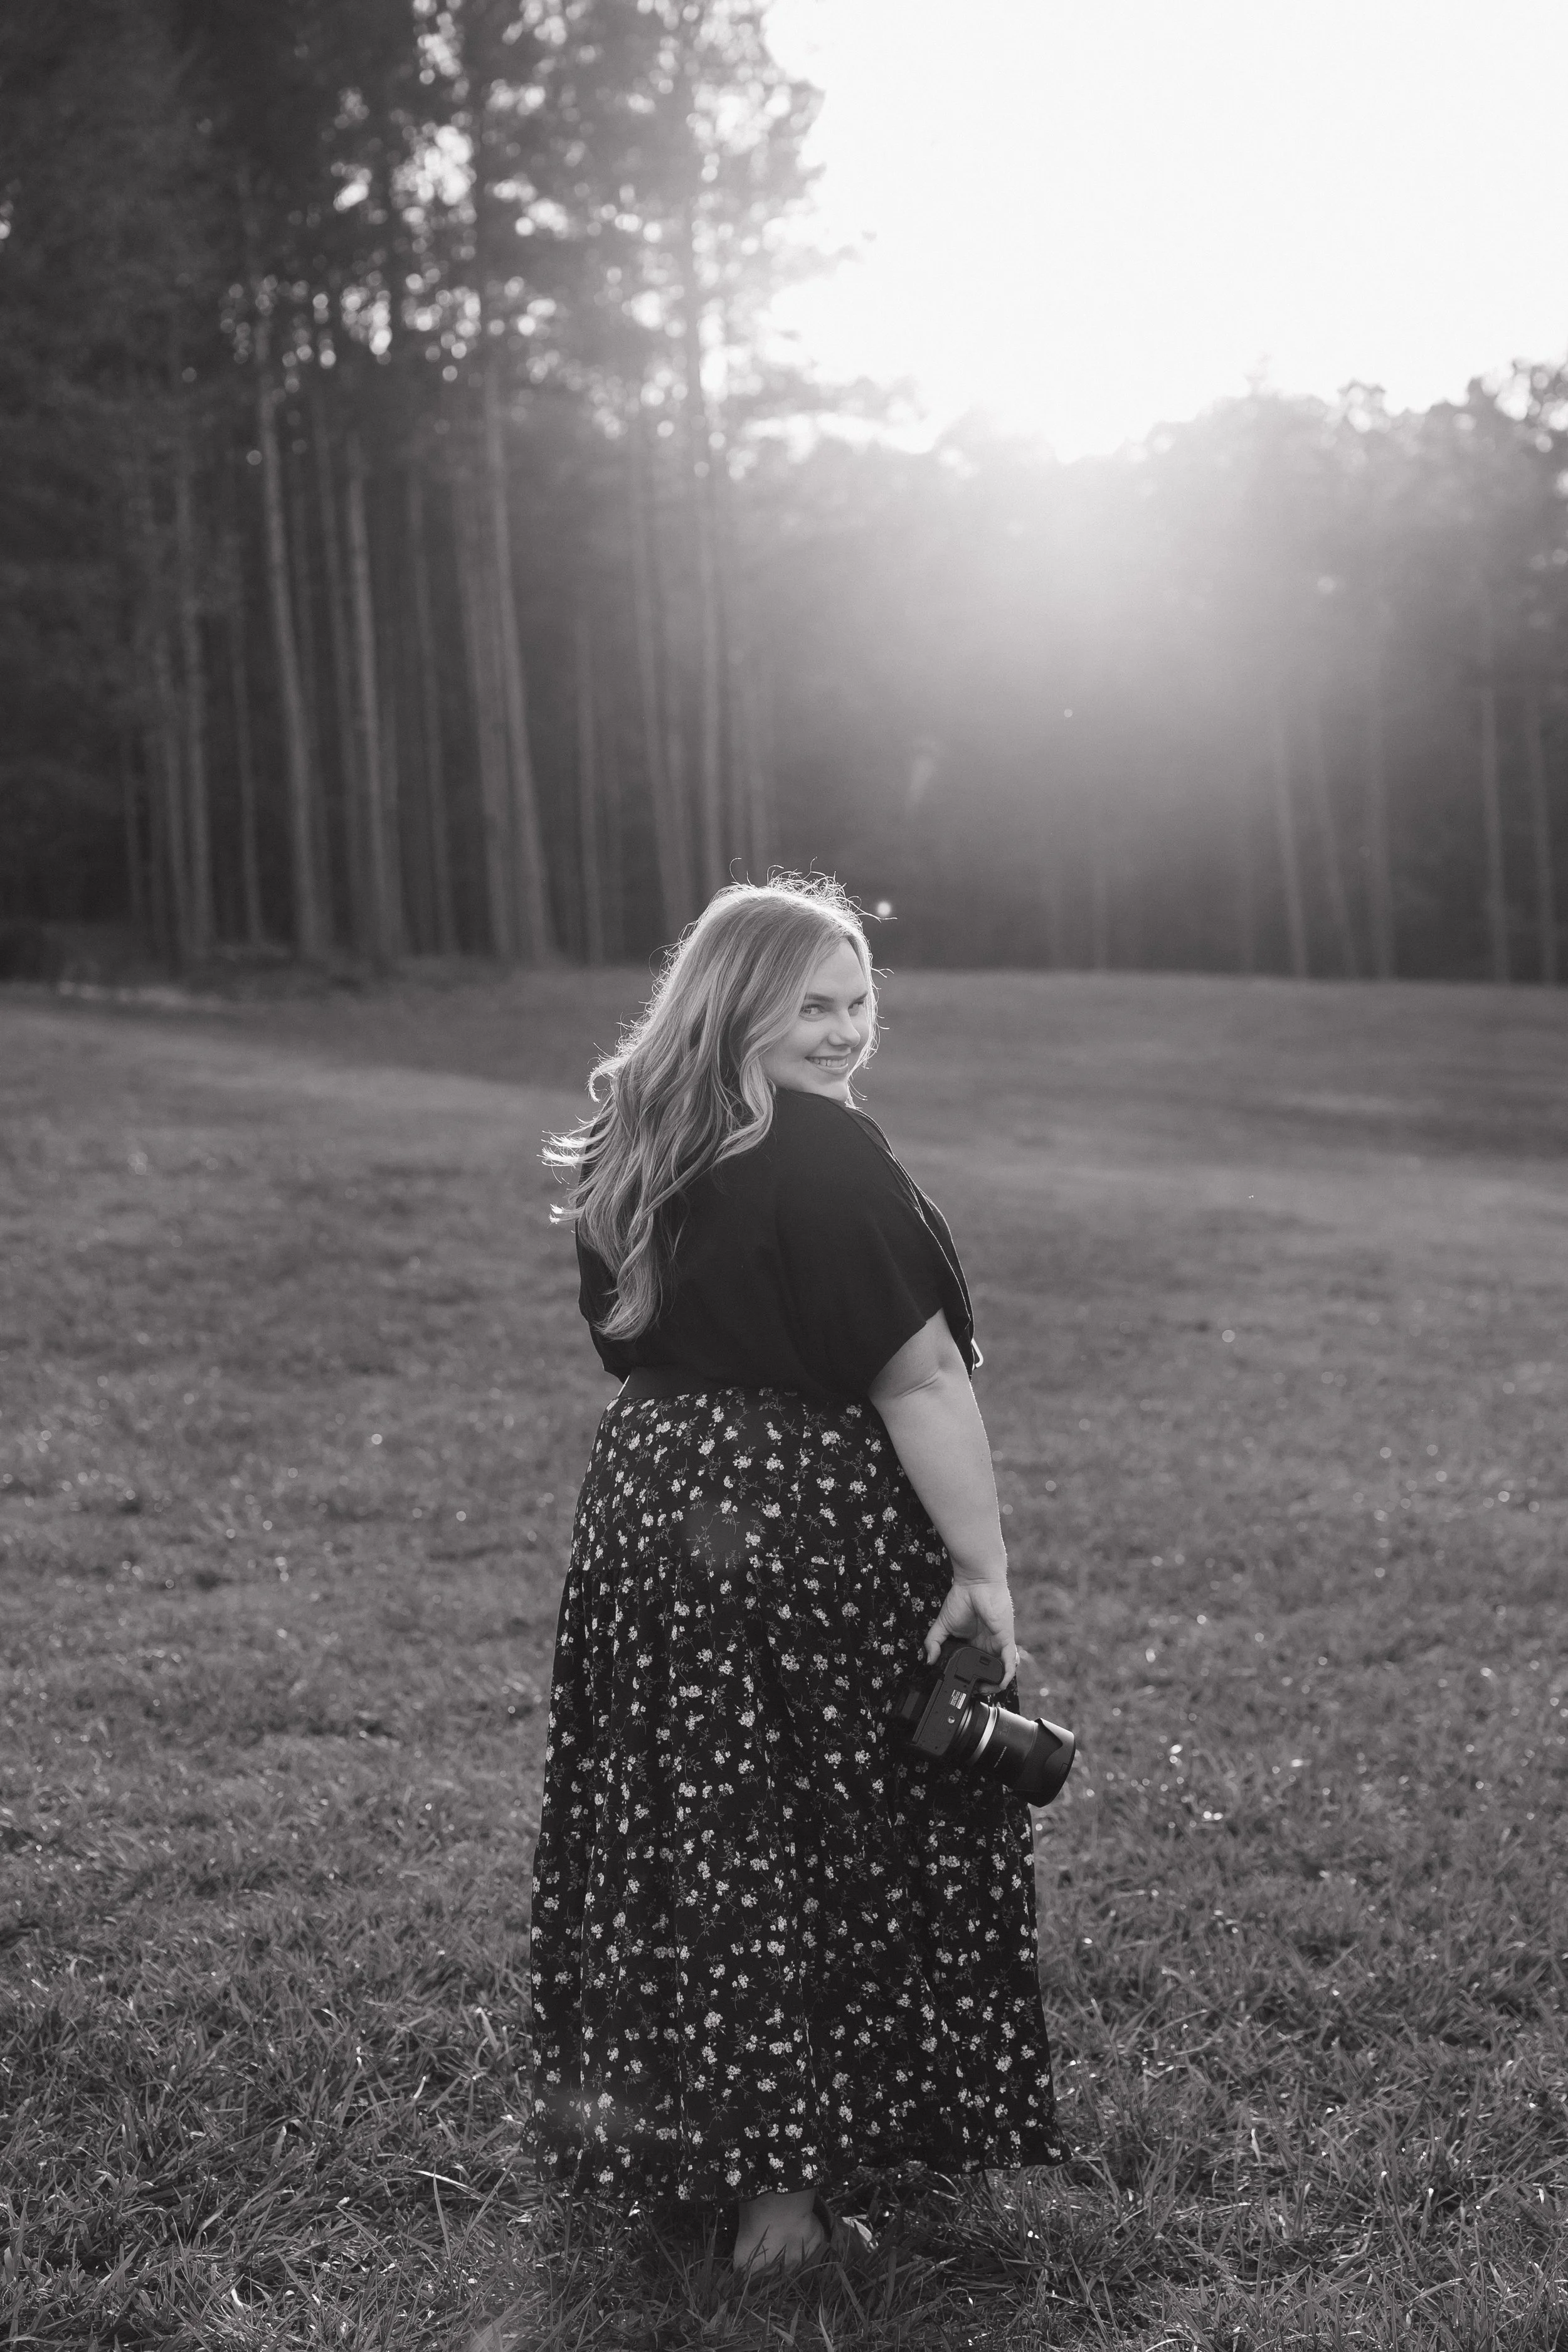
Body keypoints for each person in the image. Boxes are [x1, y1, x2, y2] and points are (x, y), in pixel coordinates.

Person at [530, 875, 1062, 2272]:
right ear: (737, 1008)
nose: (841, 1033)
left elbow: (628, 1338)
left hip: (650, 1502)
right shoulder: (823, 1155)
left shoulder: (629, 1141)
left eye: (855, 1002)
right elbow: (921, 1372)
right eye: (809, 1006)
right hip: (793, 1518)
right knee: (820, 1829)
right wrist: (983, 1575)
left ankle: (684, 2136)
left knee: (687, 1818)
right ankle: (780, 2204)